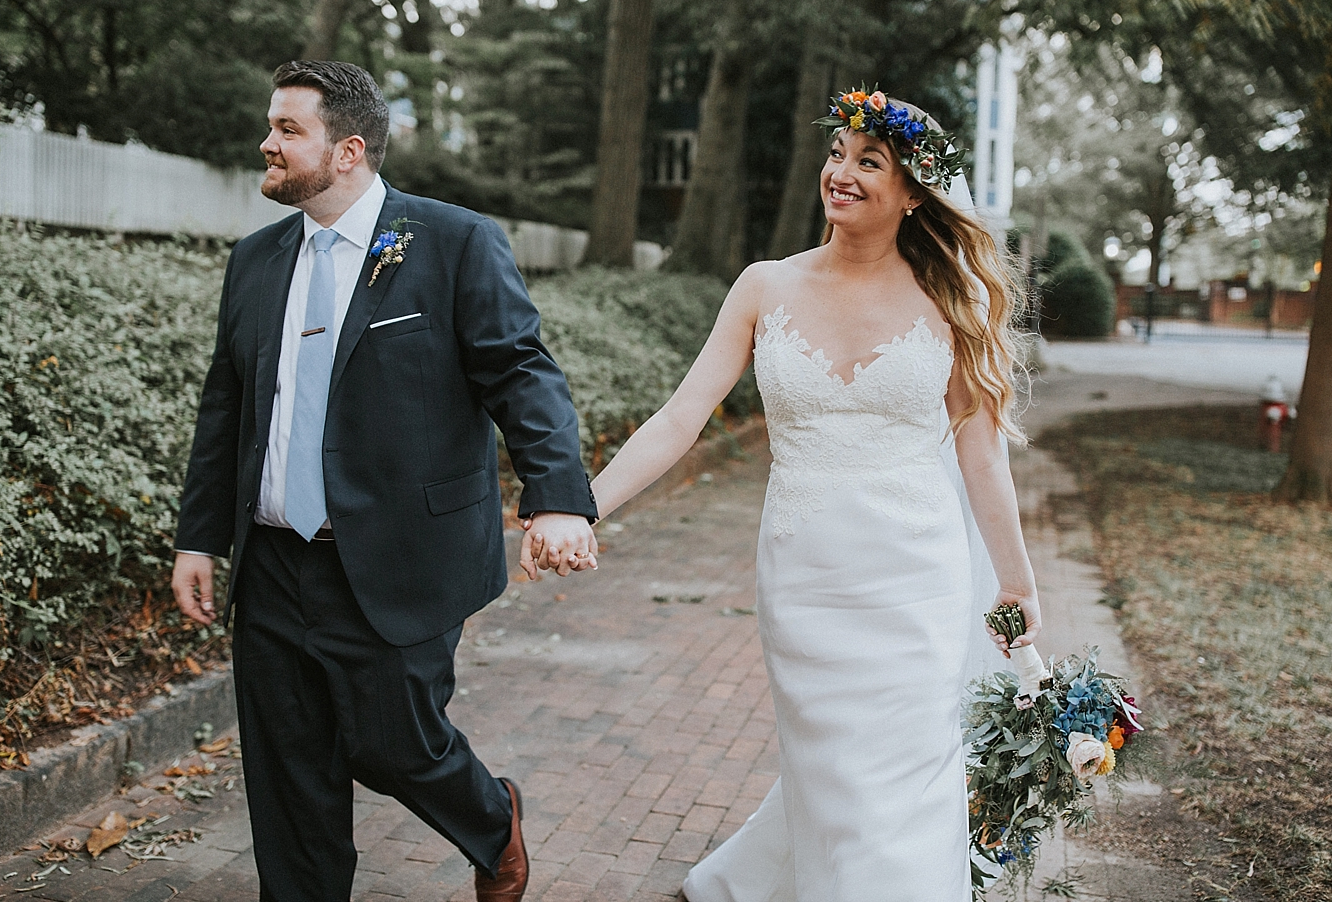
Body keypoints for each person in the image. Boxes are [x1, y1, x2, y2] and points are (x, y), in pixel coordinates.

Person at [573, 88, 1042, 900]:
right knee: (832, 771)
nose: (842, 173)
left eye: (871, 162)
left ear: (913, 193)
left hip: (915, 581)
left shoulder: (953, 304)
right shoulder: (765, 287)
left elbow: (982, 459)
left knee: (904, 778)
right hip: (804, 580)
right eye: (837, 155)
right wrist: (587, 503)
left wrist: (1016, 581)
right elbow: (683, 416)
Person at [170, 60, 598, 902]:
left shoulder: (452, 240)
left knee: (393, 746)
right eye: (272, 124)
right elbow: (227, 405)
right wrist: (199, 536)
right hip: (274, 560)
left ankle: (490, 817)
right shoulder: (255, 261)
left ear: (348, 150)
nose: (268, 142)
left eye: (289, 129)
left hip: (400, 555)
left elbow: (520, 373)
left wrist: (556, 496)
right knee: (289, 773)